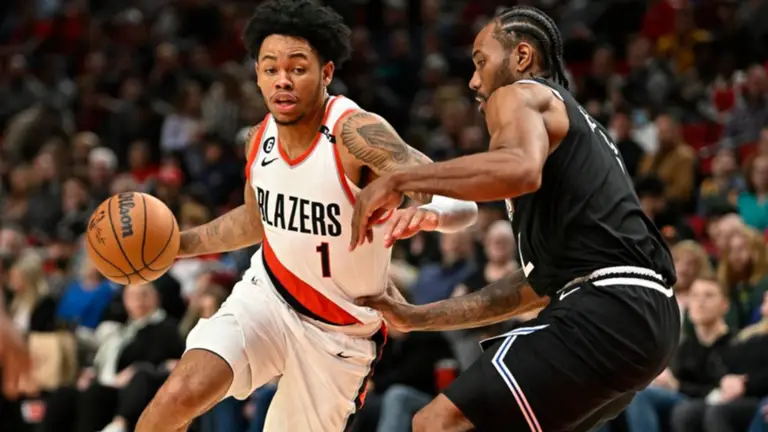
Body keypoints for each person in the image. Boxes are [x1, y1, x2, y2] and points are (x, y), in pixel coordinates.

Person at [135, 1, 478, 431]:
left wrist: (432, 214)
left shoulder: (356, 133)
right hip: (266, 298)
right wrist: (176, 247)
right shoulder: (258, 138)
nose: (282, 80)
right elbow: (255, 221)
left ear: (326, 72)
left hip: (340, 335)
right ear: (257, 75)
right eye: (270, 69)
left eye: (297, 68)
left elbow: (458, 197)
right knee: (177, 396)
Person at [351, 5, 681, 432]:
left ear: (522, 57)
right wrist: (418, 317)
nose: (474, 81)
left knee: (437, 423)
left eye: (481, 62)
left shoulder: (521, 92)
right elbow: (529, 289)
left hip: (609, 306)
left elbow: (520, 169)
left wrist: (399, 179)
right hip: (644, 320)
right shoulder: (574, 141)